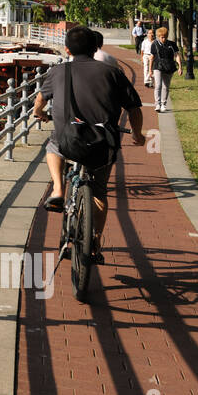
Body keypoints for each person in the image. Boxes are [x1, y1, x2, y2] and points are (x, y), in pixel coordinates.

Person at [33, 25, 145, 261]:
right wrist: (137, 134)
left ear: (66, 49)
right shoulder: (112, 73)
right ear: (96, 48)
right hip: (102, 144)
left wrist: (39, 113)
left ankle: (58, 189)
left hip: (68, 141)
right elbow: (134, 107)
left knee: (52, 146)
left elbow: (40, 100)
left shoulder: (58, 72)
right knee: (100, 192)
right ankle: (94, 242)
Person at [150, 25, 181, 112]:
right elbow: (151, 57)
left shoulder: (172, 44)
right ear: (158, 37)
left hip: (169, 66)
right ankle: (157, 104)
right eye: (161, 37)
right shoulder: (154, 44)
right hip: (157, 66)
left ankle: (164, 104)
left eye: (165, 37)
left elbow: (177, 55)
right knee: (158, 85)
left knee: (166, 87)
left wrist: (180, 67)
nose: (163, 39)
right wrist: (150, 70)